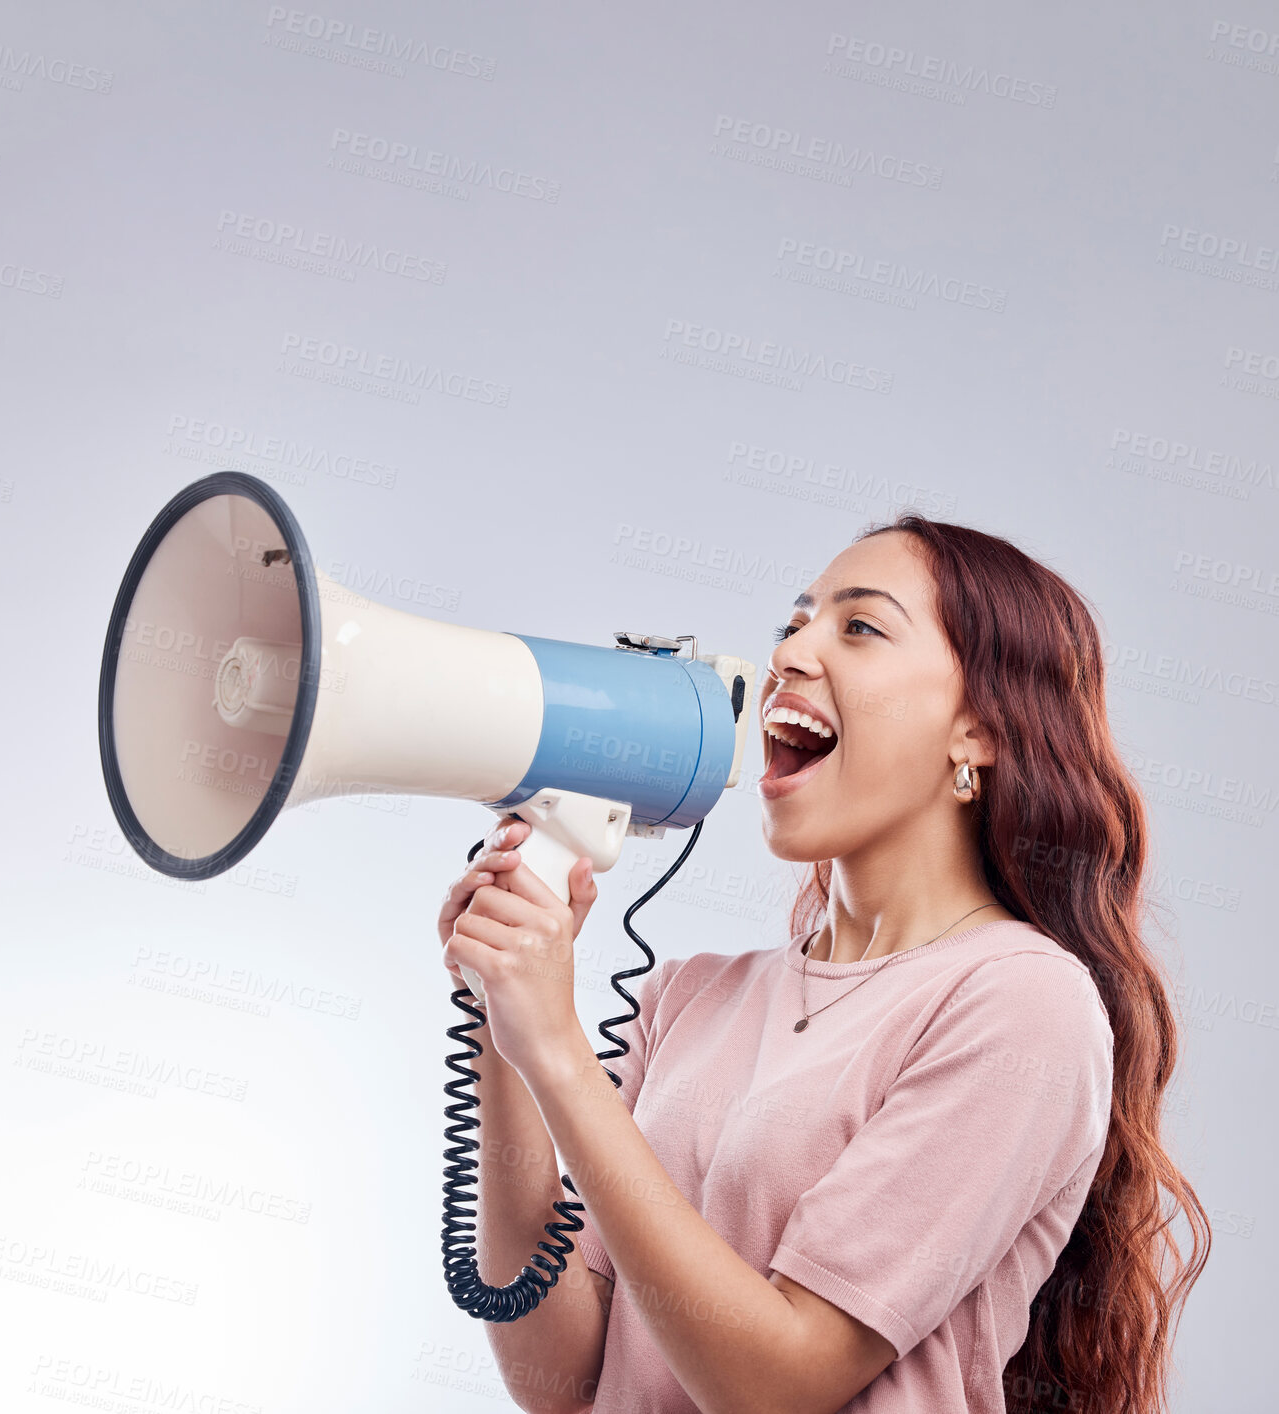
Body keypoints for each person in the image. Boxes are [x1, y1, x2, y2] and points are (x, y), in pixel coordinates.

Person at [437, 513, 1210, 1414]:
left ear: (980, 732)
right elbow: (561, 1377)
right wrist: (503, 1026)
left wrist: (563, 1055)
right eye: (793, 626)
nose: (792, 654)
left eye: (860, 627)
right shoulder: (687, 996)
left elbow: (781, 1383)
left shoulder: (1021, 1002)